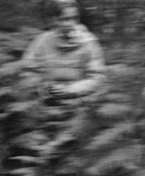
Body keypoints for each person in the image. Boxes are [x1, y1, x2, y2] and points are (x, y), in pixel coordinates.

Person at [21, 0, 105, 152]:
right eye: (65, 19)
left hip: (78, 112)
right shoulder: (41, 42)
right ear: (53, 20)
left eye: (74, 18)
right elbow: (27, 70)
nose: (71, 23)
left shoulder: (89, 43)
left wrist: (70, 90)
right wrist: (41, 87)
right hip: (44, 111)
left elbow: (97, 78)